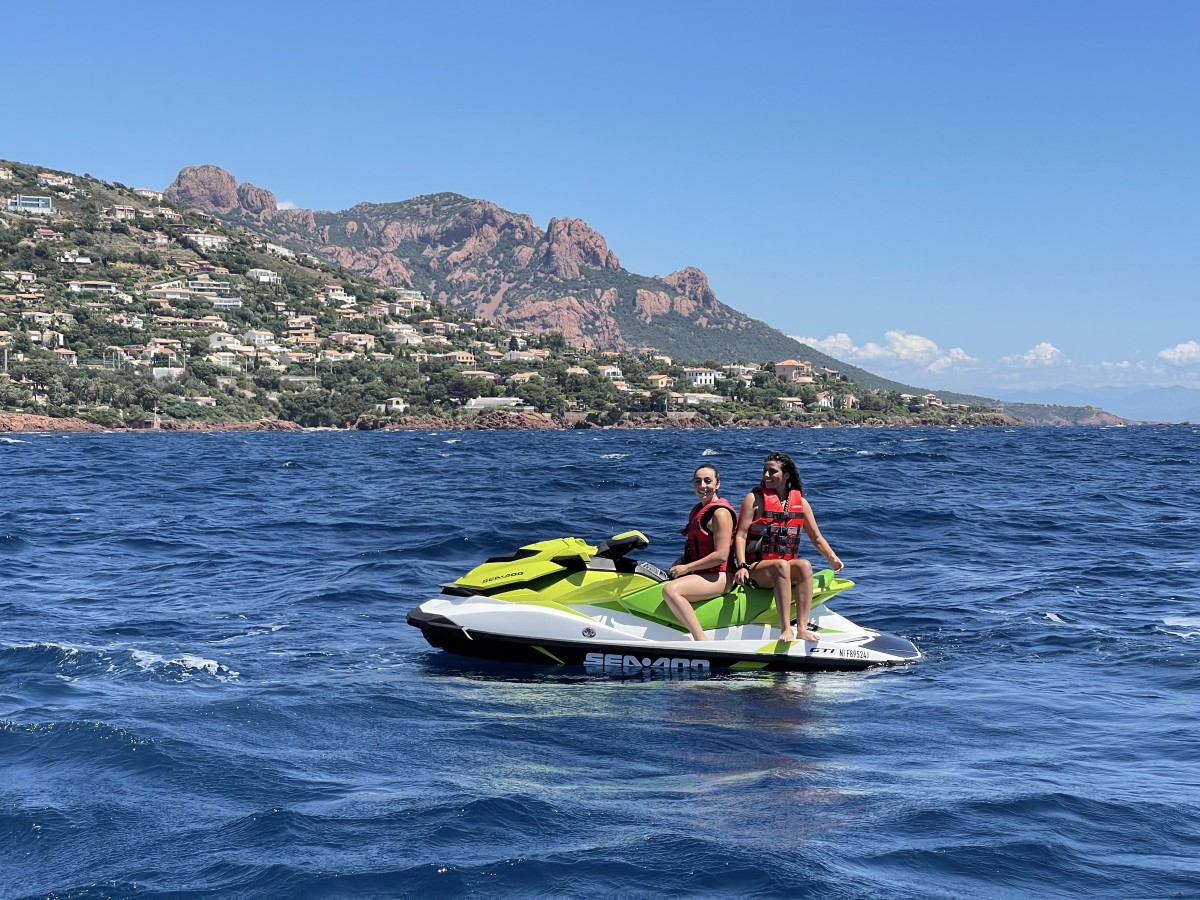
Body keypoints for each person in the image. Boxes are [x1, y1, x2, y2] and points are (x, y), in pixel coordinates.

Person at [731, 452, 843, 643]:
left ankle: (802, 628)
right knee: (781, 565)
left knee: (805, 565)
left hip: (782, 568)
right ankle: (785, 629)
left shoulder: (801, 504)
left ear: (786, 475)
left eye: (772, 471)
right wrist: (741, 565)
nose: (766, 475)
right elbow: (740, 536)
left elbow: (816, 537)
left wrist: (831, 557)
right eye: (764, 470)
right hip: (756, 569)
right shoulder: (753, 499)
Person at [662, 464, 737, 641]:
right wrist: (681, 561)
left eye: (708, 481)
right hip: (703, 572)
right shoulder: (698, 510)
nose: (702, 486)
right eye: (698, 481)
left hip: (721, 575)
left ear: (717, 484)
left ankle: (700, 639)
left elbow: (721, 556)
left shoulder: (720, 514)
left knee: (671, 591)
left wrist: (687, 568)